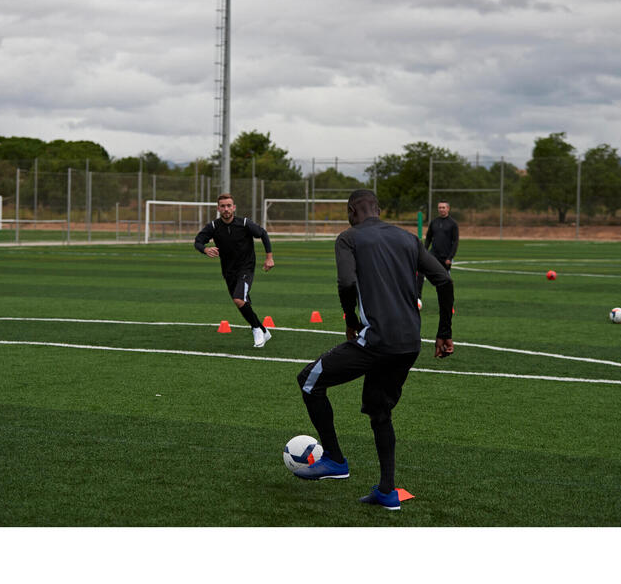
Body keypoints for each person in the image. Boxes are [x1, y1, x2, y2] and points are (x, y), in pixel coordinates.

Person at [293, 189, 454, 511]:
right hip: (409, 344)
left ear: (352, 211)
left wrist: (350, 321)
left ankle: (336, 460)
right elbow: (443, 280)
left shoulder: (349, 238)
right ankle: (386, 492)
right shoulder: (408, 239)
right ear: (378, 210)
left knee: (310, 381)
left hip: (376, 340)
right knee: (381, 413)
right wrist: (444, 333)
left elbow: (346, 283)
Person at [194, 193, 275, 348]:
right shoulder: (213, 226)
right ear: (218, 208)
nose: (226, 209)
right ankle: (264, 330)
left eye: (229, 206)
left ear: (234, 207)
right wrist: (205, 250)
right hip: (228, 271)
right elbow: (197, 242)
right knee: (242, 302)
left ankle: (256, 329)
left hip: (246, 268)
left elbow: (263, 234)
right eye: (223, 206)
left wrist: (269, 257)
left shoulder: (244, 223)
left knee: (239, 299)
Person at [417, 200, 458, 302]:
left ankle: (448, 302)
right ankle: (417, 298)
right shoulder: (434, 222)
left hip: (445, 258)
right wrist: (424, 251)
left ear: (448, 209)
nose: (441, 209)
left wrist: (450, 257)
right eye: (440, 207)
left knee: (445, 282)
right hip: (433, 255)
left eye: (443, 207)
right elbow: (428, 238)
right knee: (420, 272)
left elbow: (455, 241)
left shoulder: (453, 224)